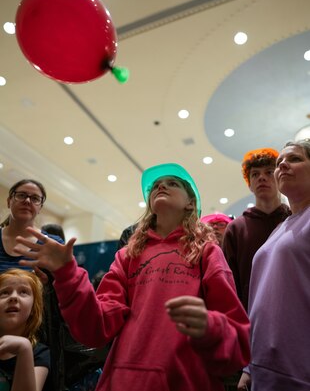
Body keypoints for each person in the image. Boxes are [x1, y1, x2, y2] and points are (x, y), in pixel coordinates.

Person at [14, 162, 250, 391]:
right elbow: (95, 329)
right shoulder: (127, 255)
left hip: (187, 381)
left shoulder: (207, 252)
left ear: (190, 203)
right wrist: (67, 273)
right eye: (156, 185)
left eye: (172, 183)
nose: (161, 186)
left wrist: (210, 328)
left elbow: (238, 343)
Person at [238, 139, 310, 391]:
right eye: (280, 163)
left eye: (295, 159)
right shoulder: (281, 227)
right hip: (264, 367)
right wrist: (248, 366)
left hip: (300, 370)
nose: (283, 166)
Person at [222, 148, 291, 312]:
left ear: (278, 177)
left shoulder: (295, 220)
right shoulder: (235, 229)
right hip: (251, 318)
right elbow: (230, 283)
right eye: (255, 174)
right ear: (250, 185)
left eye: (268, 172)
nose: (262, 177)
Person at [0, 268, 50, 391]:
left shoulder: (40, 354)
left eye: (23, 292)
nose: (13, 297)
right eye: (5, 292)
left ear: (33, 309)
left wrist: (24, 348)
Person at [0, 179, 64, 272]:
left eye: (35, 198)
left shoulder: (54, 244)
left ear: (40, 208)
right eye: (21, 195)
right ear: (9, 201)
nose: (27, 201)